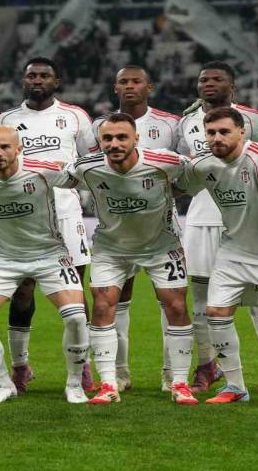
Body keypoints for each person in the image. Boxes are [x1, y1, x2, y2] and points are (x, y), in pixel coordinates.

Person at [176, 107, 258, 408]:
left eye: (224, 132)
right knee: (216, 313)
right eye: (211, 133)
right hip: (235, 248)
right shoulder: (203, 164)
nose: (216, 138)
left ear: (242, 132)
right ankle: (235, 386)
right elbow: (178, 187)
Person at [0, 126, 90, 404]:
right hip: (3, 257)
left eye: (5, 147)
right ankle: (4, 384)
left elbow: (82, 177)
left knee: (76, 317)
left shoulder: (43, 170)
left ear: (19, 149)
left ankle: (75, 384)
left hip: (50, 254)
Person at [69, 113, 198, 405]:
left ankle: (179, 382)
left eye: (121, 137)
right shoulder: (86, 167)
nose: (114, 144)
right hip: (111, 249)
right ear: (99, 141)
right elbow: (49, 174)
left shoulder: (165, 161)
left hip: (161, 247)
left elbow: (199, 169)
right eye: (107, 138)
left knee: (177, 306)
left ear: (136, 138)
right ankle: (108, 384)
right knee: (102, 306)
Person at [0, 57, 98, 393]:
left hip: (66, 213)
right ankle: (20, 365)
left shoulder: (76, 116)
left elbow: (90, 163)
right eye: (31, 76)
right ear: (23, 81)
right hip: (22, 216)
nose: (37, 80)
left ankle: (82, 366)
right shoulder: (6, 120)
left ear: (56, 81)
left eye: (44, 75)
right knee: (22, 291)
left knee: (75, 291)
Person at [177, 61, 258, 395]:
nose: (208, 83)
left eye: (217, 79)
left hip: (247, 218)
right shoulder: (187, 121)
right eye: (203, 79)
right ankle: (207, 365)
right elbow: (184, 169)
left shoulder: (253, 120)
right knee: (201, 298)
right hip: (201, 217)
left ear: (231, 86)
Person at [91, 65, 180, 391]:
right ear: (115, 87)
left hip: (158, 227)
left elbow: (183, 171)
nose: (129, 86)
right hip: (116, 230)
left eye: (136, 81)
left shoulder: (171, 124)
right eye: (123, 82)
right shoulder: (98, 126)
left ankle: (171, 374)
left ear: (149, 86)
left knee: (170, 301)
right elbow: (92, 169)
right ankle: (119, 374)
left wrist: (154, 194)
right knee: (115, 299)